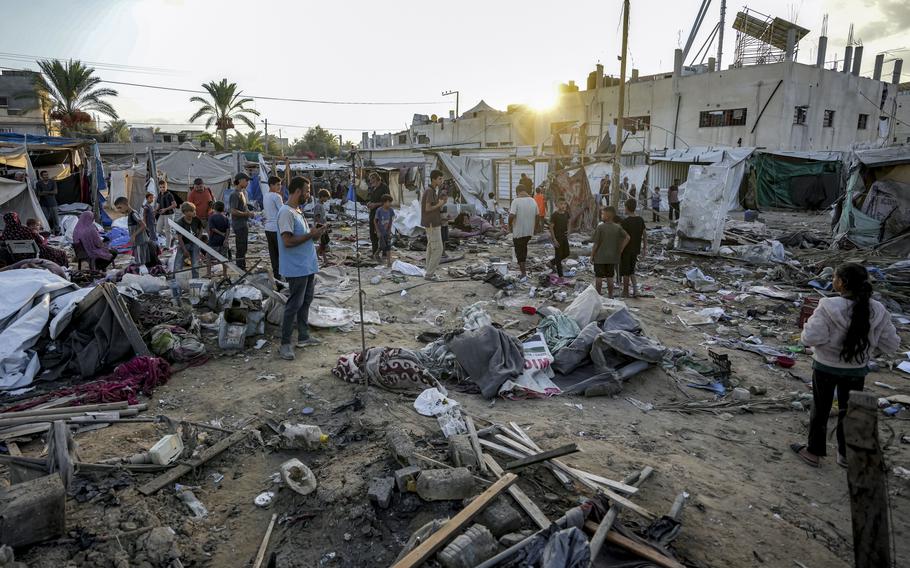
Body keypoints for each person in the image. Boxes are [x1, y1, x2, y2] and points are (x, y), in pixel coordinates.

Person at [792, 263, 901, 468]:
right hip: (856, 370)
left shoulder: (828, 305)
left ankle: (814, 452)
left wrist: (813, 337)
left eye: (834, 277)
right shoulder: (877, 309)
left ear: (841, 283)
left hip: (826, 367)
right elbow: (891, 344)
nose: (833, 281)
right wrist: (869, 350)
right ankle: (845, 455)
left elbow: (810, 338)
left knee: (821, 410)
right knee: (849, 411)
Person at [277, 176, 327, 361]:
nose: (308, 194)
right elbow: (288, 241)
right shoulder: (286, 213)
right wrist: (310, 235)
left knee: (306, 301)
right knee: (294, 305)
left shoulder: (297, 211)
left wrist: (316, 233)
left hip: (307, 266)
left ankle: (303, 336)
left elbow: (304, 237)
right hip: (296, 268)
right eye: (306, 191)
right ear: (297, 191)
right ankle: (285, 343)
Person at [1, 212, 68, 267]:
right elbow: (39, 240)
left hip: (17, 257)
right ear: (16, 219)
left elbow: (4, 243)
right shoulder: (25, 229)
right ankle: (64, 270)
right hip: (34, 253)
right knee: (61, 253)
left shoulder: (5, 232)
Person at [591, 206, 629, 298]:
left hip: (600, 257)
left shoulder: (600, 227)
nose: (601, 215)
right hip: (612, 257)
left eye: (603, 214)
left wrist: (592, 255)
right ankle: (610, 295)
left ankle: (598, 295)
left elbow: (596, 244)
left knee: (599, 277)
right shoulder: (617, 227)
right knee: (610, 277)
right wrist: (620, 249)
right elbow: (627, 237)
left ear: (607, 216)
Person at [421, 170, 447, 280]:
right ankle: (429, 274)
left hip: (432, 222)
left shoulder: (433, 191)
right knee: (438, 249)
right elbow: (427, 208)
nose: (441, 180)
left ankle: (428, 271)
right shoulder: (430, 191)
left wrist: (441, 203)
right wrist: (440, 204)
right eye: (440, 178)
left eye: (442, 178)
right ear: (434, 179)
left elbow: (433, 207)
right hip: (432, 224)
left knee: (431, 248)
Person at [509, 185, 539, 280]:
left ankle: (523, 273)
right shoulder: (533, 200)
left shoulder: (516, 201)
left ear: (517, 192)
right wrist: (535, 228)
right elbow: (537, 216)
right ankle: (523, 269)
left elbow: (511, 215)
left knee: (519, 252)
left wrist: (509, 225)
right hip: (529, 232)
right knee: (524, 248)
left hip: (518, 232)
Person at [619, 198, 647, 298]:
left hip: (626, 250)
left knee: (625, 272)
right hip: (636, 249)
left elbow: (623, 237)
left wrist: (620, 249)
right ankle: (635, 290)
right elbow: (644, 234)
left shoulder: (625, 222)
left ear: (627, 208)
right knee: (632, 270)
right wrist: (645, 248)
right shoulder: (640, 220)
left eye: (624, 207)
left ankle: (625, 291)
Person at [115, 196, 150, 266]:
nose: (119, 210)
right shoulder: (130, 214)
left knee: (140, 261)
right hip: (137, 242)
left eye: (120, 207)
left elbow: (143, 225)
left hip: (140, 241)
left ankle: (142, 274)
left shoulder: (133, 214)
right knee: (137, 259)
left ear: (126, 204)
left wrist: (133, 235)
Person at [229, 173, 252, 270]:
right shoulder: (235, 194)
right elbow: (233, 211)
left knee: (244, 246)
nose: (247, 182)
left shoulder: (242, 193)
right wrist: (246, 214)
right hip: (239, 225)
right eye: (246, 180)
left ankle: (242, 265)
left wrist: (248, 212)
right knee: (241, 246)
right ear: (240, 180)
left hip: (243, 223)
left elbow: (242, 208)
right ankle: (240, 267)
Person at [263, 175, 284, 281]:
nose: (279, 187)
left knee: (273, 254)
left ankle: (277, 276)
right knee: (281, 253)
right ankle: (282, 276)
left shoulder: (266, 195)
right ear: (271, 185)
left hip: (268, 228)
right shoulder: (276, 196)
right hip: (276, 228)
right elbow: (282, 211)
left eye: (280, 184)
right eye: (277, 185)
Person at [174, 202, 202, 279]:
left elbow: (201, 229)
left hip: (194, 244)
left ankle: (195, 280)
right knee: (178, 264)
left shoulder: (196, 220)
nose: (192, 212)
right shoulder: (180, 222)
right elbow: (179, 237)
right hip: (184, 244)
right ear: (185, 212)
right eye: (190, 211)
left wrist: (198, 240)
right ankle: (176, 280)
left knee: (195, 264)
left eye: (192, 210)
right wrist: (184, 250)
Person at [366, 173, 388, 259]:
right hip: (373, 214)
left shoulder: (384, 188)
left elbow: (387, 201)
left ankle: (384, 253)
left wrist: (376, 204)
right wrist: (369, 203)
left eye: (373, 179)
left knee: (382, 234)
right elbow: (369, 198)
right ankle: (375, 252)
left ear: (377, 179)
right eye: (370, 180)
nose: (371, 182)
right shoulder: (372, 188)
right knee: (372, 233)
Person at [207, 201, 230, 277]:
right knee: (224, 258)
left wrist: (220, 233)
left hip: (213, 241)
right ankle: (225, 274)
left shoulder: (212, 217)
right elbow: (228, 229)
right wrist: (226, 239)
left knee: (209, 257)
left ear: (214, 208)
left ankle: (209, 273)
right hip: (223, 241)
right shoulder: (225, 218)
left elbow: (212, 229)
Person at [549, 198, 570, 278]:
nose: (563, 206)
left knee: (567, 253)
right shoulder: (554, 215)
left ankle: (551, 263)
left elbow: (568, 222)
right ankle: (560, 276)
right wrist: (554, 239)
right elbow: (551, 227)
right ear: (557, 205)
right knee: (558, 255)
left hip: (564, 236)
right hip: (557, 237)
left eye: (564, 204)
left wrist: (568, 230)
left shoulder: (566, 213)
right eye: (561, 204)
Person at [35, 170, 60, 235]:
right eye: (44, 175)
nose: (46, 176)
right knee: (45, 218)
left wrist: (45, 192)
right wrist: (49, 192)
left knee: (55, 218)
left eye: (47, 175)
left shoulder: (52, 182)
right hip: (43, 204)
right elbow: (39, 193)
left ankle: (57, 230)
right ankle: (48, 230)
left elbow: (55, 192)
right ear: (41, 176)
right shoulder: (38, 184)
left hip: (53, 203)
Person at [375, 194, 395, 268]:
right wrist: (378, 231)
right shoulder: (379, 210)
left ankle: (389, 262)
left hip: (387, 231)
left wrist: (390, 229)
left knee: (388, 246)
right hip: (381, 230)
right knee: (382, 245)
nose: (390, 204)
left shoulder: (390, 210)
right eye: (389, 202)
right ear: (384, 202)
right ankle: (376, 254)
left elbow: (390, 220)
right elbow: (375, 221)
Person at [155, 179, 177, 248]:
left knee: (167, 230)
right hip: (162, 214)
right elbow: (158, 206)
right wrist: (154, 211)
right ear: (159, 187)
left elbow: (174, 205)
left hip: (169, 214)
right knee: (158, 229)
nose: (162, 189)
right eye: (161, 187)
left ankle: (167, 247)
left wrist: (165, 209)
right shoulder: (159, 195)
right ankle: (171, 238)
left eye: (164, 187)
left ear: (166, 187)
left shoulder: (169, 195)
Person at [315, 189, 331, 264]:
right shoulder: (318, 205)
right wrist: (319, 227)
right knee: (323, 243)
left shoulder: (321, 205)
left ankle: (316, 254)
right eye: (326, 197)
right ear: (322, 197)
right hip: (320, 227)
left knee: (324, 242)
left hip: (323, 226)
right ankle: (325, 259)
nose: (327, 199)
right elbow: (317, 217)